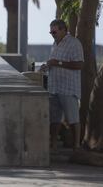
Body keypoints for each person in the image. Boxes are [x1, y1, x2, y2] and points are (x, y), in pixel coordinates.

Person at [40, 19, 84, 151]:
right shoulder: (55, 44)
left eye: (54, 31)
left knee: (73, 119)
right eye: (50, 32)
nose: (52, 34)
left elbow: (79, 64)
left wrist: (57, 63)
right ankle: (53, 144)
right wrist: (47, 66)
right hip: (54, 87)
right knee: (54, 119)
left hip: (68, 88)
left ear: (63, 30)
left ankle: (77, 146)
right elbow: (53, 63)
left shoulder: (74, 43)